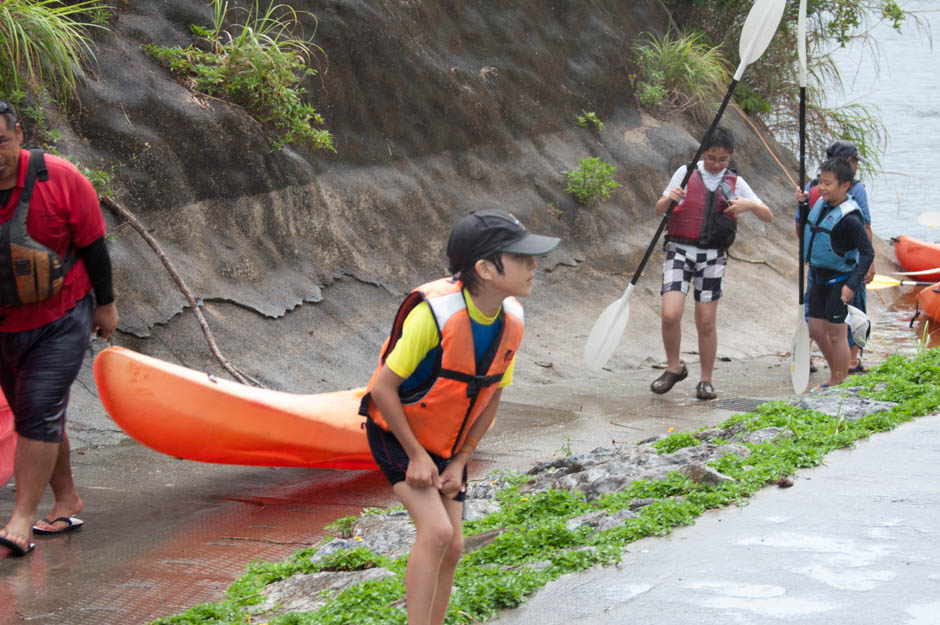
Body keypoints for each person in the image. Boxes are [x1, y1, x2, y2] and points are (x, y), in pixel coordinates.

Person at [358, 209, 558, 625]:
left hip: (449, 443)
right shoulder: (434, 314)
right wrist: (415, 455)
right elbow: (382, 388)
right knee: (437, 533)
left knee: (453, 546)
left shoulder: (511, 320)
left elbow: (491, 398)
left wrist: (461, 460)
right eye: (521, 257)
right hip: (399, 433)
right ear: (485, 269)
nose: (533, 266)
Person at [0, 100, 119, 557]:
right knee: (35, 415)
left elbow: (93, 246)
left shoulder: (61, 178)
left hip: (62, 316)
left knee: (38, 408)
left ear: (19, 134)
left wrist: (105, 306)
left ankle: (20, 520)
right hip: (6, 325)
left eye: (1, 142)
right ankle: (66, 499)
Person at [651, 127, 773, 400]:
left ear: (731, 156)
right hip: (679, 251)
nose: (716, 164)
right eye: (711, 158)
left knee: (706, 321)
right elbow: (659, 210)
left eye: (722, 160)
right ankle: (674, 367)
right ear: (702, 152)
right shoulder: (685, 172)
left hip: (713, 256)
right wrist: (668, 199)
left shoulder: (734, 182)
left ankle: (706, 380)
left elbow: (768, 216)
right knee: (670, 313)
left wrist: (749, 206)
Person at [798, 140, 875, 373]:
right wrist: (802, 207)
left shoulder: (850, 217)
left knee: (837, 333)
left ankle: (840, 375)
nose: (821, 187)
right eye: (820, 182)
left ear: (845, 186)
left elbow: (867, 250)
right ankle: (836, 372)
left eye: (827, 184)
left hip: (840, 278)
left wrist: (853, 283)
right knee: (817, 330)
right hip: (818, 275)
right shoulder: (819, 203)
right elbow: (807, 229)